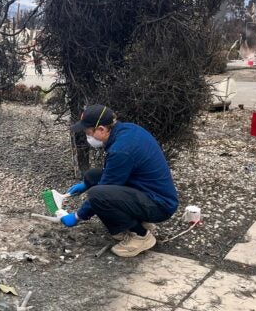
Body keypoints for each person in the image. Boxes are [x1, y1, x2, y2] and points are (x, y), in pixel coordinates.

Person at [59, 104, 179, 257]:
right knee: (92, 176)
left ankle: (140, 235)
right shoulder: (127, 130)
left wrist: (77, 216)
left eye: (88, 133)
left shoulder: (121, 149)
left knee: (97, 195)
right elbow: (110, 176)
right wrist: (85, 184)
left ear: (101, 129)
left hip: (160, 204)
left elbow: (105, 188)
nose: (88, 137)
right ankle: (136, 222)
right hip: (147, 192)